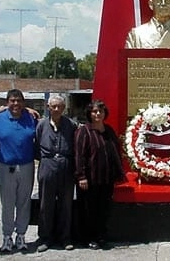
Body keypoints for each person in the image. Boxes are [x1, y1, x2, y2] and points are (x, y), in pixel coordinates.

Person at [0, 89, 38, 252]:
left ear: (24, 102)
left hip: (26, 166)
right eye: (12, 100)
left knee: (24, 203)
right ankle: (7, 236)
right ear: (7, 102)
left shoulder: (31, 118)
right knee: (7, 203)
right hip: (6, 167)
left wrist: (31, 111)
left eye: (19, 100)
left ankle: (21, 236)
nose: (16, 104)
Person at [74, 100, 126, 250]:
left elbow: (115, 152)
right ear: (89, 114)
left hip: (106, 178)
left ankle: (101, 236)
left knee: (103, 209)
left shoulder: (108, 130)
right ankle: (89, 238)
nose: (98, 114)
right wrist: (81, 176)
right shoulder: (84, 131)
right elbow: (79, 155)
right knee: (89, 209)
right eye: (94, 111)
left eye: (100, 111)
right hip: (90, 178)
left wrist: (118, 174)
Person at [35, 95, 78, 252]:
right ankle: (46, 238)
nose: (57, 109)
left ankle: (65, 238)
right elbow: (36, 147)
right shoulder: (41, 125)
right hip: (47, 165)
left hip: (66, 166)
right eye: (54, 106)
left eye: (60, 106)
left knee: (66, 204)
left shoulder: (71, 125)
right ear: (48, 107)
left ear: (64, 108)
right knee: (46, 203)